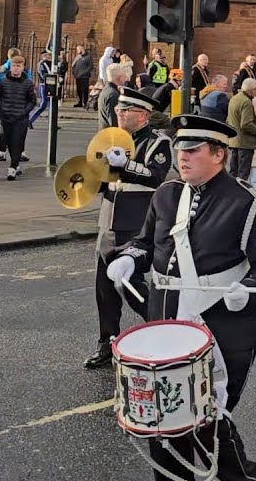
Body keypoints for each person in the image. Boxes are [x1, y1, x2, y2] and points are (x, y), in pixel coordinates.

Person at [106, 114, 256, 480]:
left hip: (221, 328)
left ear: (219, 154)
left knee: (209, 421)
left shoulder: (246, 203)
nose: (181, 156)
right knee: (163, 422)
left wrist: (249, 288)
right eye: (178, 148)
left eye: (192, 149)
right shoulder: (166, 194)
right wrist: (128, 258)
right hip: (166, 323)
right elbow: (146, 244)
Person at [83, 87, 171, 369]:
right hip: (108, 221)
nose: (119, 113)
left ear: (143, 115)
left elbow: (156, 177)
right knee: (104, 290)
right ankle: (106, 342)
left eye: (126, 110)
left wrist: (127, 165)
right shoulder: (109, 140)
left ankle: (164, 334)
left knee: (133, 288)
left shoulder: (158, 143)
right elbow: (99, 179)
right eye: (118, 109)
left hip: (136, 223)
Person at [0, 54, 36, 180]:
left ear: (23, 68)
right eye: (14, 66)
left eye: (18, 66)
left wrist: (24, 112)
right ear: (10, 67)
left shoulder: (28, 83)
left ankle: (12, 167)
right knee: (10, 143)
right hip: (7, 117)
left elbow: (32, 101)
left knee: (17, 142)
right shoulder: (3, 82)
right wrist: (2, 109)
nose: (16, 68)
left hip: (20, 119)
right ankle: (15, 166)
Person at [226, 77, 256, 182]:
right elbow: (246, 124)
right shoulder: (246, 102)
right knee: (243, 173)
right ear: (252, 90)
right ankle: (240, 194)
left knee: (233, 171)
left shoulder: (234, 99)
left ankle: (231, 192)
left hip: (234, 141)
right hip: (245, 142)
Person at [28, 50, 55, 127]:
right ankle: (30, 120)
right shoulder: (41, 64)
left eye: (50, 55)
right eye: (48, 55)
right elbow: (43, 75)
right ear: (44, 56)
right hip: (44, 85)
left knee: (52, 105)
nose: (49, 56)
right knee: (43, 105)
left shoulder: (51, 63)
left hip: (51, 85)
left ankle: (52, 124)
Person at [98, 63, 129, 129]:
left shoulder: (106, 90)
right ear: (120, 78)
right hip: (111, 136)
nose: (126, 78)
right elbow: (114, 122)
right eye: (124, 75)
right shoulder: (113, 95)